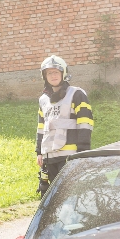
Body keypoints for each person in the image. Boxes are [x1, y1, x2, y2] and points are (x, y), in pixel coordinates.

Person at [36, 55, 94, 195]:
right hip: (49, 158)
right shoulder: (43, 100)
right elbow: (41, 127)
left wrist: (83, 152)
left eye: (56, 72)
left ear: (64, 73)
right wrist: (39, 152)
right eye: (49, 73)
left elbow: (85, 122)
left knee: (72, 195)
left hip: (70, 157)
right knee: (55, 197)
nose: (53, 75)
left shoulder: (76, 94)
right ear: (45, 76)